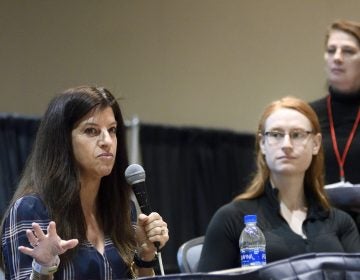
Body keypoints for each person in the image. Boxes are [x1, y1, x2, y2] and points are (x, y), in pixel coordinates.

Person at [0, 86, 169, 279]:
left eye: (112, 130)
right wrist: (43, 269)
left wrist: (145, 256)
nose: (107, 141)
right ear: (62, 141)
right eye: (91, 131)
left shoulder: (123, 210)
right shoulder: (31, 209)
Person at [198, 96, 360, 272]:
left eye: (297, 135)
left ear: (316, 144)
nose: (287, 145)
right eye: (276, 135)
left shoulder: (341, 222)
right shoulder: (231, 218)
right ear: (263, 144)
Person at [310, 19, 360, 186]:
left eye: (348, 51)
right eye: (331, 50)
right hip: (319, 211)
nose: (337, 58)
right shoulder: (307, 115)